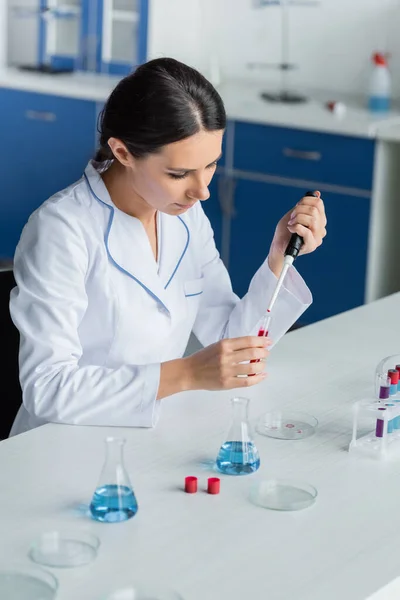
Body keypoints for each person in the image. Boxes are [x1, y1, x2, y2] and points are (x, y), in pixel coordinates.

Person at [9, 57, 327, 436]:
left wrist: (279, 259)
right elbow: (47, 389)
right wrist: (188, 372)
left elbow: (231, 344)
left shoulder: (184, 215)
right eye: (179, 174)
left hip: (156, 431)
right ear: (123, 152)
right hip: (58, 443)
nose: (202, 190)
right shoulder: (61, 229)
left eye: (210, 165)